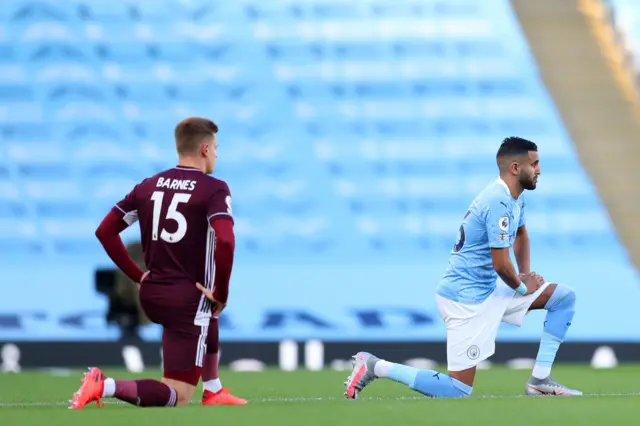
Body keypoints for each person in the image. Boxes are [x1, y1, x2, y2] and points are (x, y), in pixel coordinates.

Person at [344, 136, 581, 398]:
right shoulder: (497, 201)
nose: (539, 170)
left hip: (491, 289)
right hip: (465, 300)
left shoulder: (515, 197)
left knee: (563, 298)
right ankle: (376, 366)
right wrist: (523, 286)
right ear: (515, 168)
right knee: (458, 390)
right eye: (534, 164)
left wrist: (524, 273)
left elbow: (521, 235)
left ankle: (540, 381)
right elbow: (501, 264)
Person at [70, 117, 247, 409]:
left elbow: (105, 231)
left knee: (208, 312)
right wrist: (222, 292)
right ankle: (105, 385)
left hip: (152, 292)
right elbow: (226, 240)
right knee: (177, 396)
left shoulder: (148, 186)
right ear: (204, 149)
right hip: (187, 299)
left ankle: (214, 389)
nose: (217, 153)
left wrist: (137, 276)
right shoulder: (214, 189)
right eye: (216, 147)